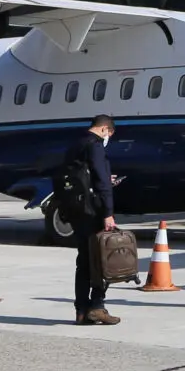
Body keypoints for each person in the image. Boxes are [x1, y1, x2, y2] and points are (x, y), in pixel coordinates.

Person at [62, 115, 120, 326]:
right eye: (110, 134)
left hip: (75, 209)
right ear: (105, 129)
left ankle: (81, 310)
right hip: (91, 210)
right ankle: (97, 306)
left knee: (84, 261)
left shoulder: (76, 144)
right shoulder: (95, 146)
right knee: (100, 259)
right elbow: (99, 179)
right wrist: (108, 212)